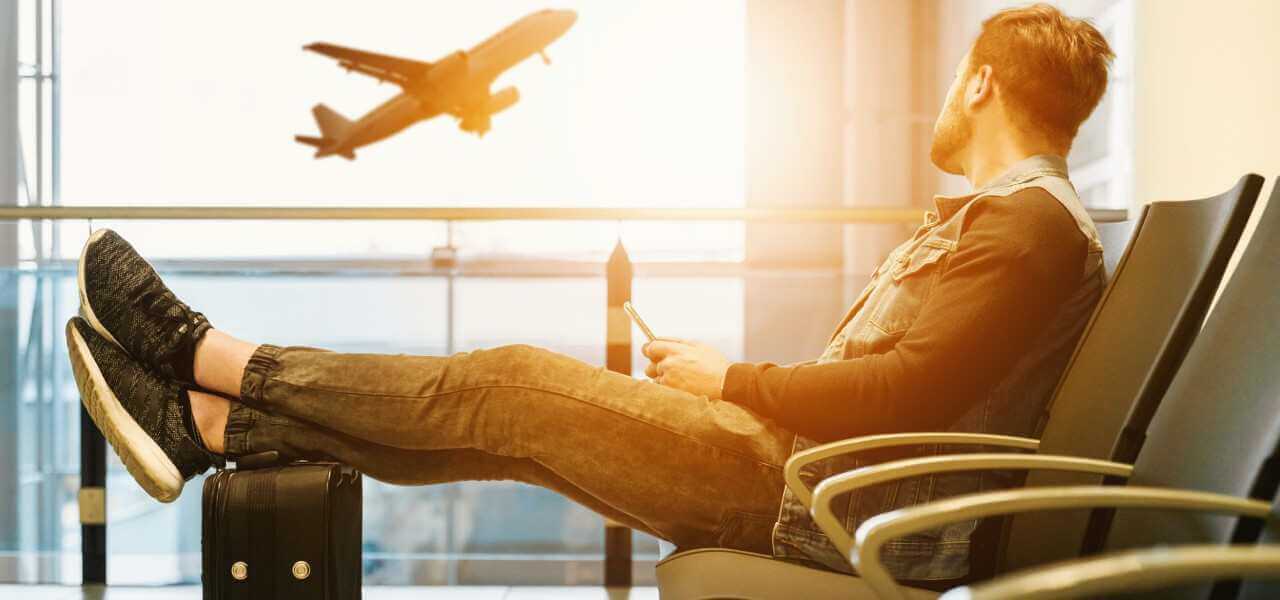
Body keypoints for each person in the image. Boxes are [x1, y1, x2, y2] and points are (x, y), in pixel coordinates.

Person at [66, 3, 1113, 583]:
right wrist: (733, 386)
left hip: (816, 504)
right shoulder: (1013, 225)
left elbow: (906, 396)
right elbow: (906, 390)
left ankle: (207, 358)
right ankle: (209, 425)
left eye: (950, 82)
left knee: (510, 385)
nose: (941, 100)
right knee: (512, 432)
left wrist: (732, 378)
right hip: (810, 483)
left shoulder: (1024, 227)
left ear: (977, 82)